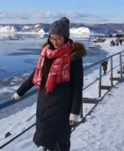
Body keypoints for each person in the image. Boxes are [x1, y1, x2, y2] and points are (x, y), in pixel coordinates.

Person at [12, 17, 86, 151]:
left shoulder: (73, 57)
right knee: (47, 141)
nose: (54, 41)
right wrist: (19, 92)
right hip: (44, 105)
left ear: (65, 37)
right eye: (52, 38)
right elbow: (34, 76)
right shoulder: (46, 54)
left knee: (60, 142)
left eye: (58, 38)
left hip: (62, 107)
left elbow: (77, 87)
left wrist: (74, 112)